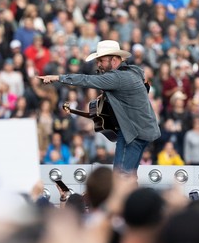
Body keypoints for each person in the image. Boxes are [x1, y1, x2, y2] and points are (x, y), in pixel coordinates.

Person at [38, 40, 160, 177]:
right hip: (141, 131)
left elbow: (86, 80)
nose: (99, 64)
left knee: (121, 177)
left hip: (132, 133)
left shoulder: (118, 77)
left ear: (114, 60)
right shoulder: (132, 71)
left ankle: (125, 198)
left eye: (101, 60)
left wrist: (58, 77)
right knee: (128, 176)